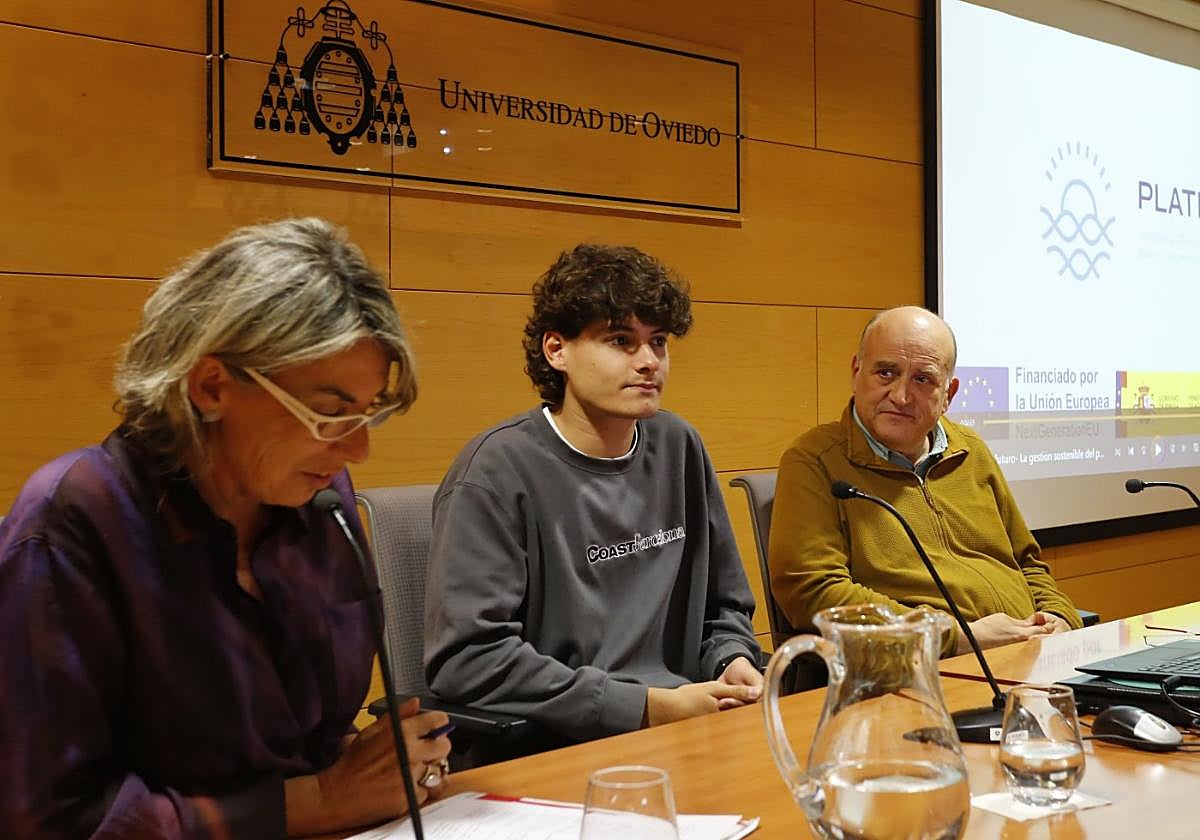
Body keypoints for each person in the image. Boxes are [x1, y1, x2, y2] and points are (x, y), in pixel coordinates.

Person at [0, 219, 452, 838]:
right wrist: (317, 800)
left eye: (367, 413)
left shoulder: (316, 498)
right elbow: (46, 817)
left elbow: (302, 737)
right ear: (210, 386)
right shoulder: (74, 521)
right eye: (329, 413)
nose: (357, 451)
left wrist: (384, 765)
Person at [423, 244, 762, 758]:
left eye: (658, 342)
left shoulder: (679, 445)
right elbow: (467, 659)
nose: (648, 362)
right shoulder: (495, 471)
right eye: (621, 341)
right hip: (556, 745)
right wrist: (641, 707)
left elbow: (725, 605)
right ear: (556, 350)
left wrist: (730, 658)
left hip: (689, 727)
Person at [769, 306, 1082, 656]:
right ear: (856, 372)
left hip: (1029, 652)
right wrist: (953, 636)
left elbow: (1026, 562)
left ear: (949, 394)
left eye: (922, 379)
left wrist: (1059, 618)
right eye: (886, 373)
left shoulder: (971, 450)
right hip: (922, 667)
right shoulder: (815, 461)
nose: (901, 396)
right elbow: (814, 590)